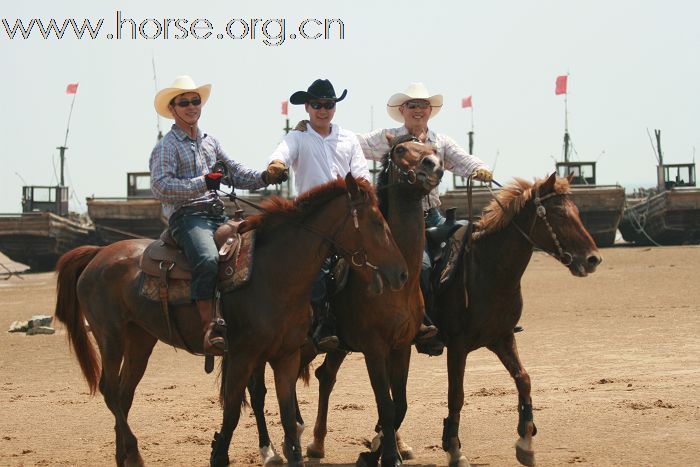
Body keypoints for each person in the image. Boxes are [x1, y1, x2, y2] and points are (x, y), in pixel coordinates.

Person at [150, 75, 286, 356]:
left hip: (216, 214)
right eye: (184, 102)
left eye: (195, 101)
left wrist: (264, 176)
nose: (191, 106)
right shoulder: (166, 146)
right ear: (172, 110)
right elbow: (161, 187)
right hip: (187, 217)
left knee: (257, 251)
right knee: (208, 259)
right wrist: (204, 183)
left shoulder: (211, 142)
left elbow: (234, 171)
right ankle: (210, 328)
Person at [356, 83, 493, 355]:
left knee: (473, 251)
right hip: (400, 223)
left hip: (435, 217)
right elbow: (352, 143)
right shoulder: (389, 138)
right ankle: (422, 323)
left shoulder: (441, 142)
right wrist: (317, 131)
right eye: (412, 105)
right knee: (424, 266)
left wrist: (480, 169)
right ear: (402, 110)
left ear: (430, 111)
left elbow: (462, 160)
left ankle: (484, 318)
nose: (418, 110)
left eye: (422, 105)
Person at [266, 78, 373, 352]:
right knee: (312, 269)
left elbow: (362, 174)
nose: (322, 110)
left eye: (328, 105)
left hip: (348, 218)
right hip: (311, 222)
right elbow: (283, 154)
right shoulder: (297, 137)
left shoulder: (349, 138)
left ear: (334, 108)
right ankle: (319, 322)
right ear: (307, 107)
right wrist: (277, 164)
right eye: (317, 105)